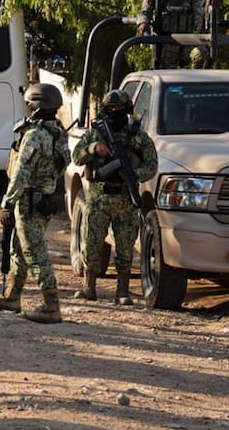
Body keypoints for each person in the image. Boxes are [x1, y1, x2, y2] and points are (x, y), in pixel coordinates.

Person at [0, 83, 70, 323]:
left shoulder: (34, 136)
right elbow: (64, 164)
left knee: (35, 252)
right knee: (18, 249)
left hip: (29, 201)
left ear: (35, 105)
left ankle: (52, 307)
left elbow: (20, 173)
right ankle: (12, 297)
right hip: (44, 200)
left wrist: (7, 203)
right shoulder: (58, 133)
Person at [71, 89, 159, 305]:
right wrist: (94, 148)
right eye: (112, 108)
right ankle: (88, 287)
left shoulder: (138, 138)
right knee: (91, 242)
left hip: (124, 198)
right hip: (98, 196)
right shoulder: (95, 134)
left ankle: (123, 291)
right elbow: (76, 157)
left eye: (120, 108)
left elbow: (152, 165)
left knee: (125, 246)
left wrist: (132, 174)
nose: (116, 111)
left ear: (127, 110)